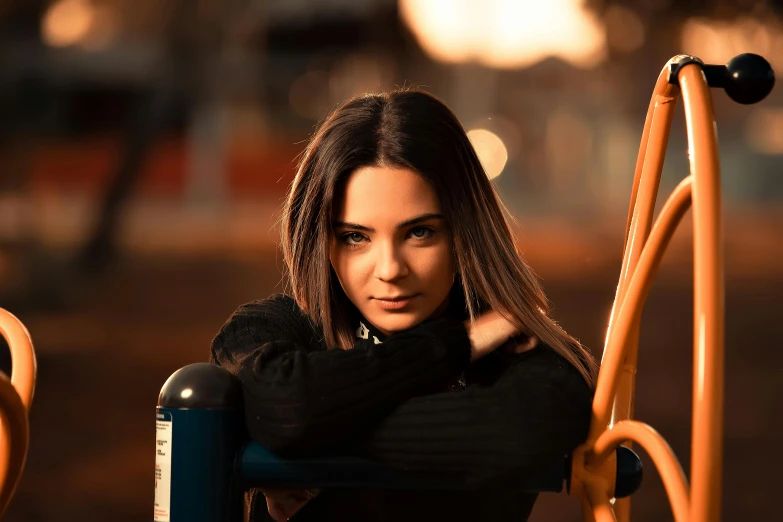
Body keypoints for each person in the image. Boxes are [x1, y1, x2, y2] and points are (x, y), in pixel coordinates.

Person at [210, 88, 597, 521]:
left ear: (464, 232)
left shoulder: (529, 358)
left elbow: (517, 438)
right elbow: (285, 404)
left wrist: (304, 435)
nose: (390, 269)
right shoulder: (275, 330)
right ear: (321, 241)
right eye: (355, 237)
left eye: (419, 233)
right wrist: (453, 345)